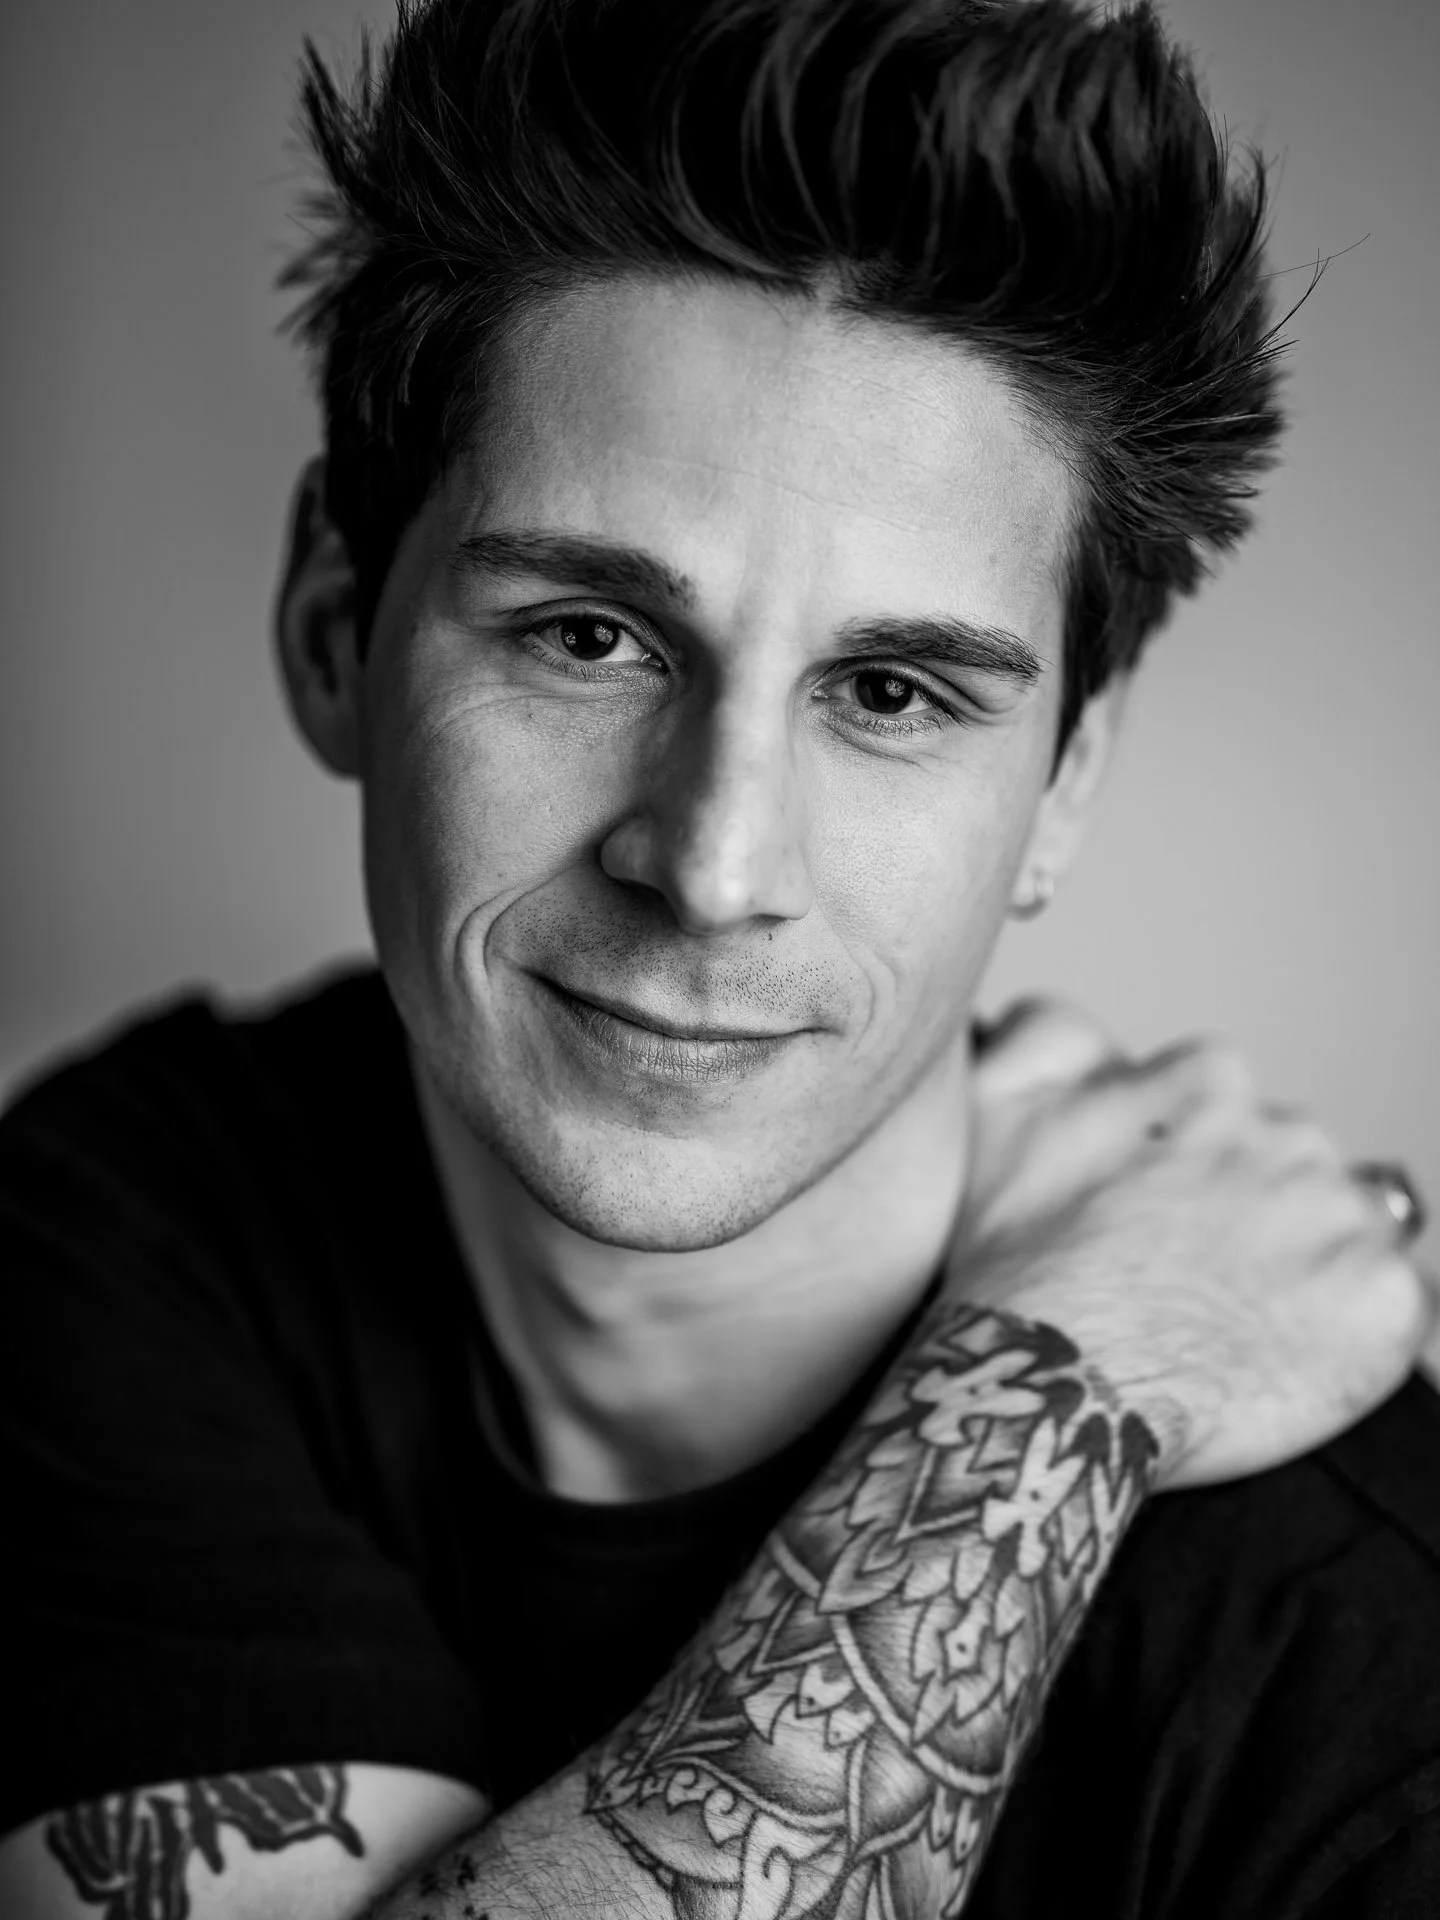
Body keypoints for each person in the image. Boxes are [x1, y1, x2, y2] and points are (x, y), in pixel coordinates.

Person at [1, 0, 1436, 1915]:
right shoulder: (130, 1225)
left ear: (1066, 783)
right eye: (590, 636)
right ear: (338, 627)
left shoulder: (1357, 1660)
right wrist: (1057, 1374)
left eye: (896, 691)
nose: (713, 862)